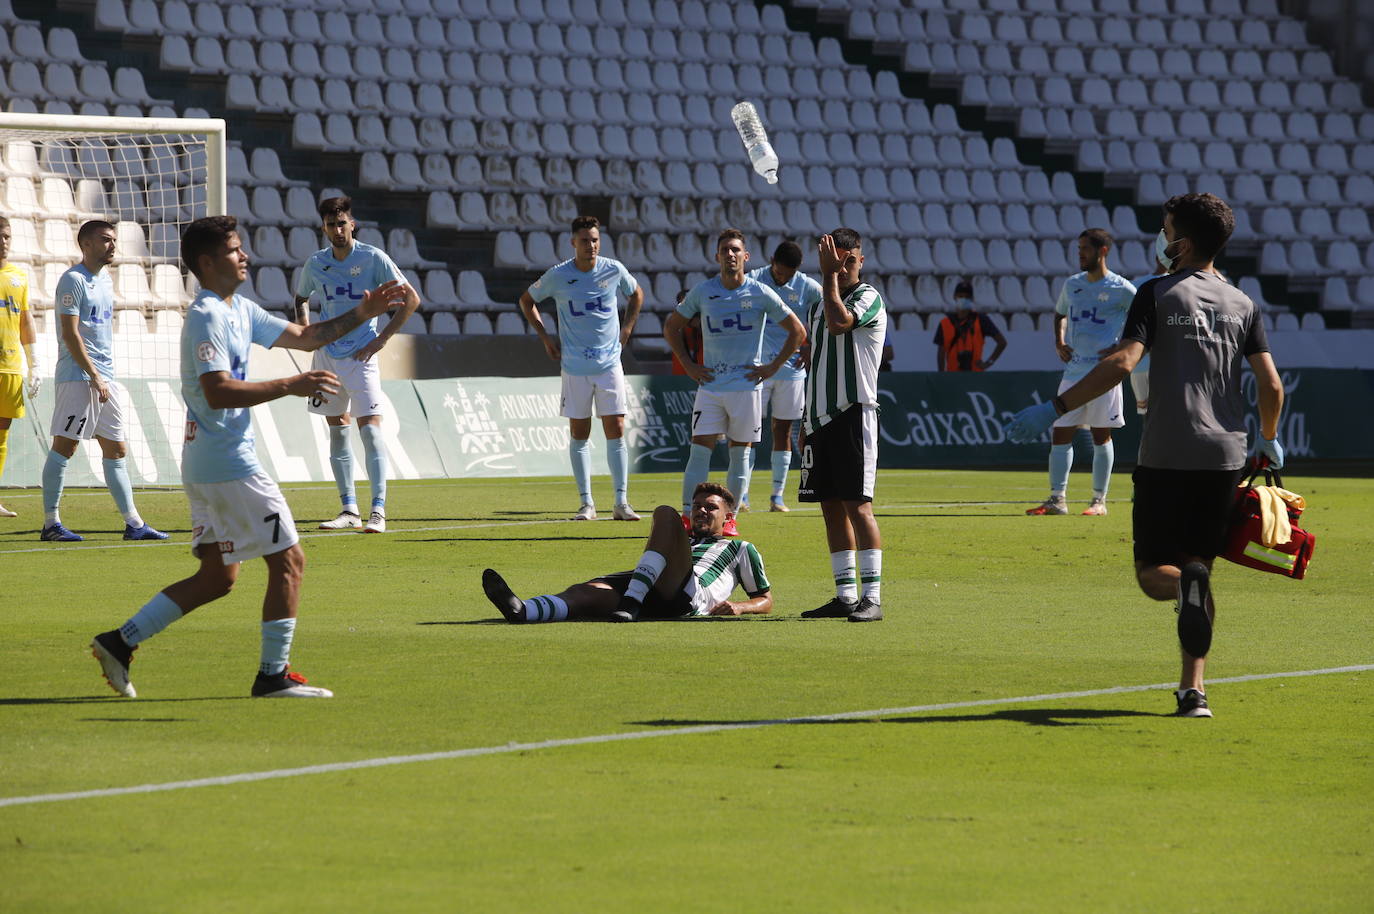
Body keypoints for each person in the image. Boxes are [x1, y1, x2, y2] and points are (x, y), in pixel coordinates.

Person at [90, 214, 408, 699]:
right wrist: (291, 385)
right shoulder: (207, 316)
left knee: (218, 577)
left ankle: (119, 641)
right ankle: (272, 676)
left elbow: (306, 337)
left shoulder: (239, 309)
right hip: (228, 462)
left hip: (207, 461)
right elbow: (216, 391)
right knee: (291, 562)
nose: (246, 257)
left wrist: (364, 313)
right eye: (236, 250)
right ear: (207, 262)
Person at [1005, 193, 1285, 718]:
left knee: (1156, 574)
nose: (1162, 235)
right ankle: (1193, 691)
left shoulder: (1156, 292)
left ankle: (1187, 587)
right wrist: (1269, 437)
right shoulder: (1244, 303)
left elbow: (1122, 362)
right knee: (1200, 567)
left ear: (1181, 241)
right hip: (1227, 453)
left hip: (1168, 450)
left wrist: (1057, 405)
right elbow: (1270, 384)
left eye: (1167, 227)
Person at [664, 229, 805, 534]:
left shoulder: (759, 293)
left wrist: (773, 367)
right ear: (717, 256)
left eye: (735, 250)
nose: (730, 254)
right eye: (725, 249)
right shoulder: (703, 292)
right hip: (711, 386)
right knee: (699, 451)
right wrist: (688, 364)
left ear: (746, 257)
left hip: (746, 388)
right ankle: (689, 518)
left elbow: (798, 331)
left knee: (740, 453)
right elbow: (671, 326)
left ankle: (728, 521)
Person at [294, 196, 421, 534]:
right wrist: (308, 332)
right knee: (337, 430)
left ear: (353, 224)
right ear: (323, 228)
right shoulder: (316, 263)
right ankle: (348, 508)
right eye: (331, 225)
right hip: (326, 356)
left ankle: (378, 511)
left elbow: (411, 299)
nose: (338, 230)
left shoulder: (372, 258)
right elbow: (301, 297)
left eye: (342, 223)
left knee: (370, 430)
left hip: (361, 356)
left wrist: (382, 339)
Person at [481, 482, 772, 623]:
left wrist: (741, 606)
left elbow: (766, 599)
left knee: (664, 513)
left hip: (688, 593)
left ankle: (631, 602)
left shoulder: (739, 548)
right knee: (590, 591)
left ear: (728, 516)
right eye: (697, 506)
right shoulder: (682, 538)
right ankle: (523, 611)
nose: (701, 511)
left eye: (710, 507)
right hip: (648, 583)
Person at [40, 220, 167, 543]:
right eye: (105, 240)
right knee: (64, 447)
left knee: (116, 448)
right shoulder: (72, 280)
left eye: (114, 240)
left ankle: (134, 524)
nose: (113, 245)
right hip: (78, 377)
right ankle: (50, 524)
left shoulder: (106, 280)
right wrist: (94, 375)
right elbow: (70, 334)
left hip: (103, 377)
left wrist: (103, 376)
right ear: (85, 244)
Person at [519, 215, 644, 521]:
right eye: (585, 240)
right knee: (580, 433)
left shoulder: (613, 269)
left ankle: (620, 501)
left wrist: (627, 330)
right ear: (573, 242)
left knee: (615, 430)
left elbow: (636, 294)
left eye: (595, 240)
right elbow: (526, 300)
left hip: (609, 364)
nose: (591, 246)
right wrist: (546, 337)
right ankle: (587, 503)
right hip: (574, 366)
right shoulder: (559, 275)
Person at [797, 229, 888, 623]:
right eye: (836, 261)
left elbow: (840, 324)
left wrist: (829, 276)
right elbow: (815, 363)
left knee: (858, 507)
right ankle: (845, 595)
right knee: (830, 507)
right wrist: (805, 419)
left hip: (853, 413)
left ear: (860, 262)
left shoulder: (867, 297)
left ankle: (873, 597)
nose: (843, 267)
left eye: (849, 261)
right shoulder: (817, 306)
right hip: (819, 418)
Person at [1025, 229, 1137, 518]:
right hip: (1074, 371)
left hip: (1104, 374)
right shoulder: (1072, 284)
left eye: (1085, 249)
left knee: (1101, 436)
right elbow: (1060, 313)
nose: (1080, 254)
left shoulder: (1122, 288)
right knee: (1060, 433)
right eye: (1079, 249)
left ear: (1102, 252)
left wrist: (1120, 346)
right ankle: (1057, 499)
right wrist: (1059, 341)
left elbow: (1143, 322)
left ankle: (1099, 501)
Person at [747, 241, 821, 513]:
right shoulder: (754, 279)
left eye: (788, 275)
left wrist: (813, 343)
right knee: (749, 432)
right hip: (757, 367)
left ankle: (777, 495)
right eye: (779, 272)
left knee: (782, 431)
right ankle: (742, 495)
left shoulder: (808, 287)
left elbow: (825, 314)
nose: (782, 278)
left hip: (791, 370)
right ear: (771, 261)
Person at [0, 217, 40, 518]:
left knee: (2, 434)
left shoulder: (19, 277)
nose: (4, 242)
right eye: (0, 236)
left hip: (10, 366)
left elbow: (25, 320)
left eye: (7, 236)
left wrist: (33, 361)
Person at [932, 280, 1007, 371]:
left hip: (974, 376)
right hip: (953, 377)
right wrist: (942, 376)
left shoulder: (982, 320)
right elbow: (941, 354)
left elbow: (1002, 342)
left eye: (967, 297)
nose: (963, 299)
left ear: (972, 299)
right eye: (960, 296)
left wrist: (988, 363)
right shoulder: (944, 323)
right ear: (954, 297)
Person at [1128, 256, 1169, 415]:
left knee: (1165, 413)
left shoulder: (1182, 284)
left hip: (1166, 363)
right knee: (1146, 414)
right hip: (1140, 364)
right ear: (1157, 257)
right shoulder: (1136, 285)